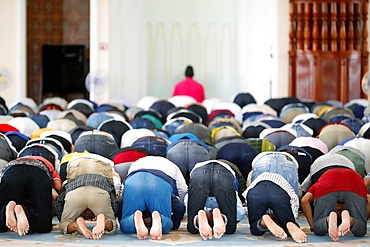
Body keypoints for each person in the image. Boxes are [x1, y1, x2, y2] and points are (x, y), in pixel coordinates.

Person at [243, 152, 307, 243]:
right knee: (287, 220)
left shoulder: (255, 173)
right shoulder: (288, 176)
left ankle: (263, 222)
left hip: (256, 190)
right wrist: (291, 219)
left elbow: (249, 188)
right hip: (279, 189)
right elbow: (294, 196)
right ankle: (288, 224)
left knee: (254, 227)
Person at [119, 156, 187, 240]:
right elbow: (183, 190)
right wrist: (175, 223)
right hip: (160, 184)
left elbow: (122, 197)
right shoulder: (172, 165)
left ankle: (133, 218)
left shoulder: (136, 162)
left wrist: (121, 217)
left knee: (125, 223)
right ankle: (160, 218)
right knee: (167, 223)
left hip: (133, 182)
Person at [54, 153, 118, 240]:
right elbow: (113, 200)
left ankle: (76, 226)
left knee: (64, 224)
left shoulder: (74, 180)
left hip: (74, 193)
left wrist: (63, 218)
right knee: (112, 224)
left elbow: (59, 201)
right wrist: (111, 216)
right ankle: (103, 221)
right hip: (100, 192)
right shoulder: (104, 176)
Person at [0, 154, 62, 236]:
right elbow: (56, 190)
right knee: (45, 225)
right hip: (39, 172)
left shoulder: (13, 161)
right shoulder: (50, 166)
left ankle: (5, 211)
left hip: (12, 171)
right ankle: (24, 212)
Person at [301, 168, 368, 242]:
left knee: (319, 229)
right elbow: (368, 198)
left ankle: (328, 219)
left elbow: (304, 200)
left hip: (327, 182)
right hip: (354, 182)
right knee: (361, 230)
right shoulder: (355, 175)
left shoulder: (322, 179)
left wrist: (313, 226)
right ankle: (350, 220)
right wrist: (362, 219)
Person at [186, 159, 246, 240]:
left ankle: (200, 216)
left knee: (191, 226)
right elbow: (241, 213)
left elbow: (186, 205)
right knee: (230, 227)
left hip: (199, 174)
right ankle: (219, 215)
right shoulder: (231, 168)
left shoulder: (199, 165)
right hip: (224, 174)